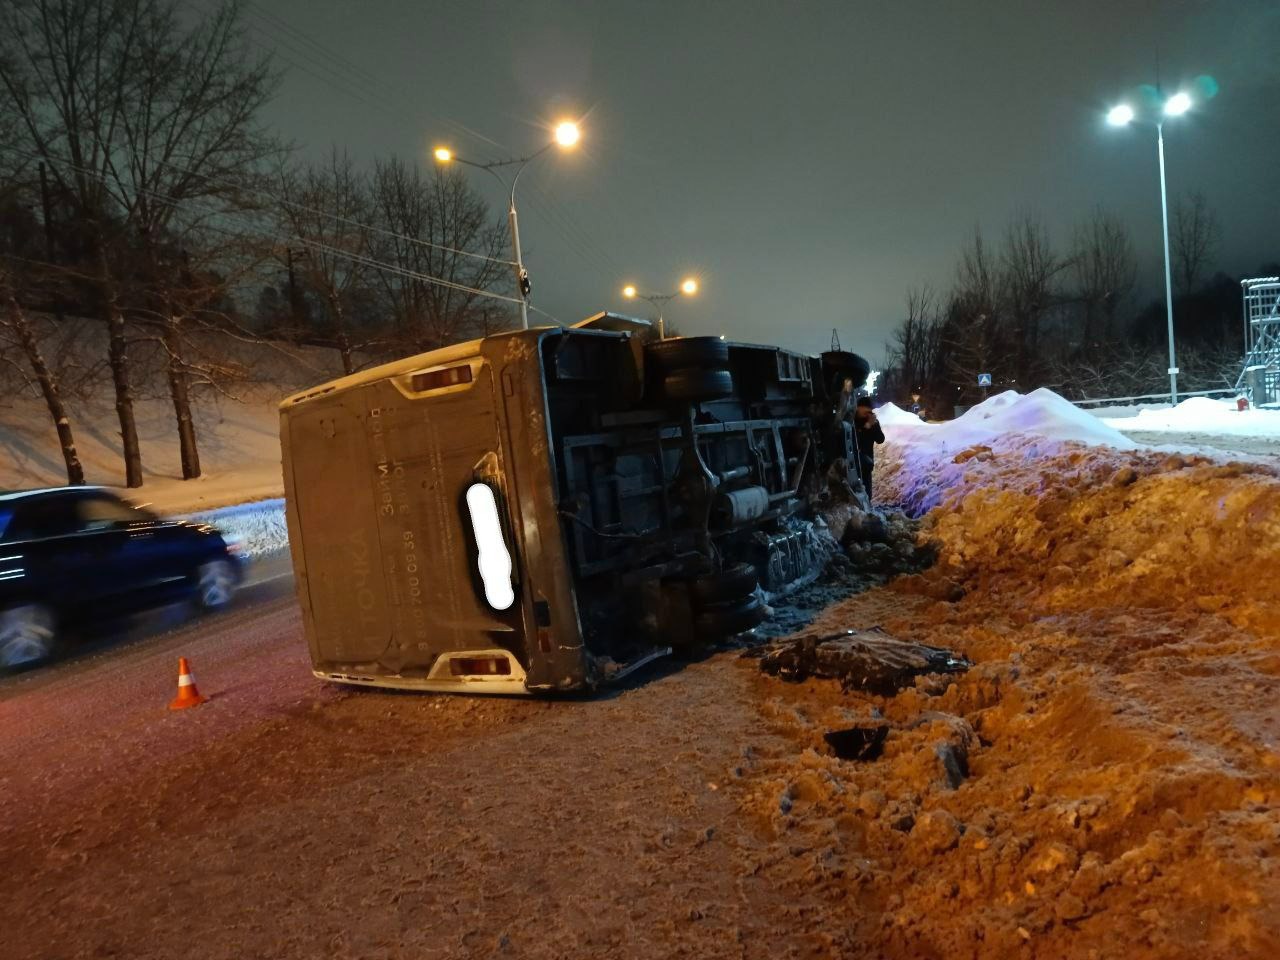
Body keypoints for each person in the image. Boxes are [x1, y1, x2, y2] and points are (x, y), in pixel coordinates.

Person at [852, 396, 885, 501]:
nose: (867, 414)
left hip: (866, 463)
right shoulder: (852, 421)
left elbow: (880, 439)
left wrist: (874, 426)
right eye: (865, 411)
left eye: (869, 411)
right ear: (858, 408)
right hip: (852, 463)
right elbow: (855, 440)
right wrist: (866, 427)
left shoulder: (872, 421)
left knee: (867, 494)